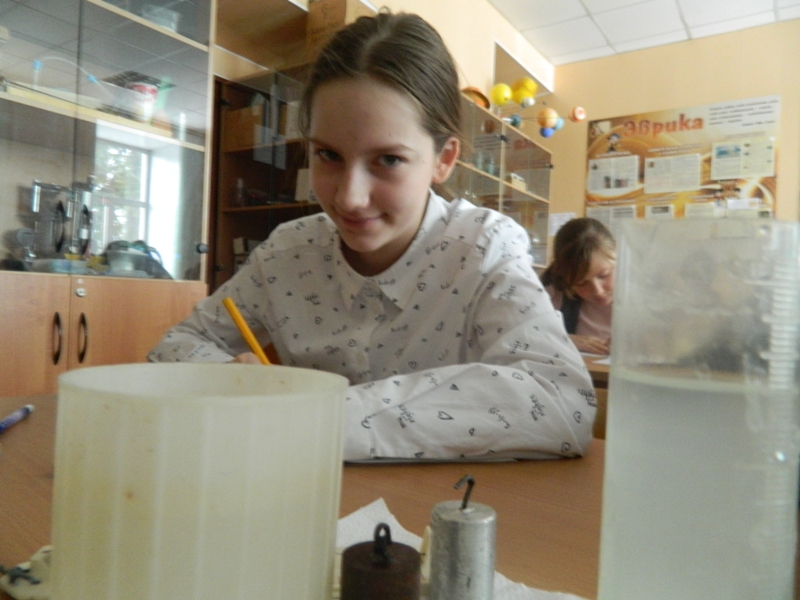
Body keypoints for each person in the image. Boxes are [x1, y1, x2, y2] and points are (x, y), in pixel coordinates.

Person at [149, 11, 595, 461]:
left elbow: (562, 403)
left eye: (388, 160)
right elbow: (173, 347)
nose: (350, 197)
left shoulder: (483, 248)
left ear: (443, 159)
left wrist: (311, 415)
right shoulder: (288, 252)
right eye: (328, 155)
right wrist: (228, 378)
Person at [541, 218, 615, 355]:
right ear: (565, 279)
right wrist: (566, 339)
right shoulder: (552, 294)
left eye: (604, 275)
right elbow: (519, 335)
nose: (598, 291)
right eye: (581, 283)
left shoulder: (646, 294)